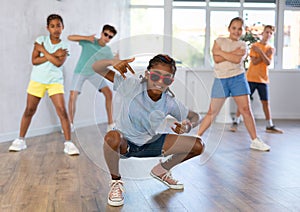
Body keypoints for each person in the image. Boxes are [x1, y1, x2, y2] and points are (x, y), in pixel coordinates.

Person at [93, 54, 205, 207]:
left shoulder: (169, 102)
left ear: (171, 81)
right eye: (155, 76)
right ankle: (116, 181)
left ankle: (162, 170)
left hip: (150, 144)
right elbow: (96, 67)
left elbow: (195, 116)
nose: (160, 82)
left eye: (166, 79)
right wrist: (113, 62)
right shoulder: (131, 86)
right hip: (126, 144)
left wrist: (188, 125)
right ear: (147, 74)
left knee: (198, 145)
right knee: (111, 137)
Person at [9, 14, 80, 155]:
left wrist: (44, 52)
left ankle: (68, 143)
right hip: (37, 80)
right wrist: (53, 54)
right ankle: (20, 140)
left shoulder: (64, 46)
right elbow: (34, 61)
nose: (56, 29)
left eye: (58, 25)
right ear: (48, 28)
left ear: (63, 27)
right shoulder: (40, 40)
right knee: (29, 110)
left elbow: (58, 63)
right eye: (52, 26)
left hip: (55, 82)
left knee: (62, 111)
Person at [197, 17, 270, 152]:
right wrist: (227, 54)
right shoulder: (219, 41)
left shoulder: (243, 45)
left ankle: (255, 140)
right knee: (212, 112)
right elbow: (217, 60)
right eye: (234, 28)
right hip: (220, 79)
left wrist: (221, 52)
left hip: (238, 78)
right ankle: (196, 139)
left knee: (246, 110)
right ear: (229, 29)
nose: (236, 31)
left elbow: (236, 60)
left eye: (239, 29)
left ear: (243, 31)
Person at [230, 25, 283, 134]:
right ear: (262, 33)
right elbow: (254, 62)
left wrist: (260, 52)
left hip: (263, 80)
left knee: (265, 102)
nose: (268, 34)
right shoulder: (254, 46)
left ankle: (269, 125)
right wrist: (264, 55)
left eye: (270, 33)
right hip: (251, 78)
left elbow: (268, 63)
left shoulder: (270, 48)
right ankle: (236, 121)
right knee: (244, 101)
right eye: (266, 32)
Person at [68, 24, 117, 132]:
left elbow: (111, 64)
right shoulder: (90, 41)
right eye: (106, 34)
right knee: (73, 96)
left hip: (94, 73)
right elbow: (70, 37)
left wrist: (115, 60)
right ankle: (70, 124)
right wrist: (86, 38)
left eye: (110, 37)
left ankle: (110, 124)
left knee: (108, 93)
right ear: (101, 33)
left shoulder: (107, 50)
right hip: (80, 71)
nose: (107, 38)